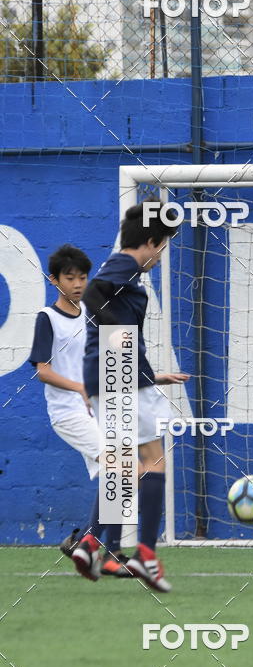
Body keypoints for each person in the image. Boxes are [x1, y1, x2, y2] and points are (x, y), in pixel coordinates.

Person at [72, 203, 189, 592]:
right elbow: (92, 294)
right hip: (117, 371)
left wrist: (151, 374)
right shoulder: (123, 266)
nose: (160, 256)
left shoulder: (124, 272)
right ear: (151, 243)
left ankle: (92, 543)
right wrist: (119, 339)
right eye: (163, 247)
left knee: (123, 465)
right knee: (151, 461)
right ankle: (145, 556)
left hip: (111, 374)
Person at [29, 244, 128, 578]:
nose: (76, 283)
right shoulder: (48, 318)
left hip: (93, 411)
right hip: (67, 413)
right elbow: (42, 369)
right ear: (53, 279)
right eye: (69, 277)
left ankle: (87, 542)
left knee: (119, 473)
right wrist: (81, 388)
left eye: (82, 277)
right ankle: (95, 545)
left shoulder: (90, 315)